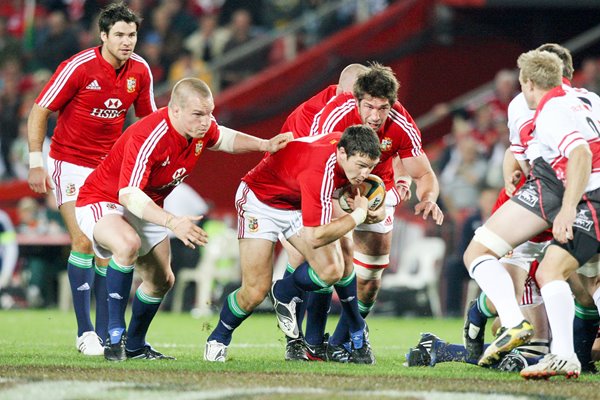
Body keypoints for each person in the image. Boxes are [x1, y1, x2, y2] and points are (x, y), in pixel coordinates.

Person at [75, 77, 292, 361]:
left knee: (161, 280)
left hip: (146, 206)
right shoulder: (150, 134)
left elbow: (224, 138)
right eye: (198, 114)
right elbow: (128, 194)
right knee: (127, 244)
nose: (206, 121)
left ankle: (136, 346)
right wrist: (172, 221)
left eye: (210, 113)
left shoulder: (199, 130)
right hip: (104, 200)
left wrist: (265, 143)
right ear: (174, 110)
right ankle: (114, 335)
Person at [27, 2, 156, 356]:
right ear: (103, 36)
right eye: (119, 35)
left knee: (108, 249)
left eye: (132, 35)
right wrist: (35, 161)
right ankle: (85, 333)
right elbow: (40, 110)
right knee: (82, 240)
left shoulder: (140, 71)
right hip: (70, 163)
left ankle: (106, 333)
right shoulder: (79, 67)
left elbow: (148, 122)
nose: (127, 42)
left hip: (109, 169)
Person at [463, 50, 600, 379]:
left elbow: (579, 154)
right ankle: (562, 354)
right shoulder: (589, 98)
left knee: (487, 255)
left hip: (581, 194)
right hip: (558, 188)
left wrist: (568, 208)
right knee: (564, 274)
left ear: (527, 82)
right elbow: (521, 154)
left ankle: (517, 325)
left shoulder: (546, 110)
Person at [204, 125, 383, 363]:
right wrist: (359, 215)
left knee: (331, 269)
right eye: (360, 165)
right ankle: (218, 338)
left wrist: (346, 196)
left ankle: (286, 292)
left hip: (295, 203)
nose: (364, 173)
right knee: (255, 291)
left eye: (370, 167)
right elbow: (315, 237)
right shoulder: (318, 171)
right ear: (342, 153)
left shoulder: (341, 148)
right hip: (260, 202)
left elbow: (324, 183)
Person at [308, 62, 443, 359]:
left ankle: (341, 342)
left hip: (377, 196)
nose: (375, 115)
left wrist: (429, 198)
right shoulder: (335, 115)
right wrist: (333, 201)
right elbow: (313, 162)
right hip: (334, 192)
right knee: (331, 266)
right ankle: (311, 341)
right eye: (369, 106)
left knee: (369, 281)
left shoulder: (402, 124)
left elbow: (424, 174)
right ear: (357, 100)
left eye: (383, 108)